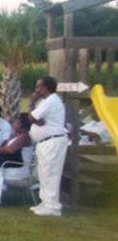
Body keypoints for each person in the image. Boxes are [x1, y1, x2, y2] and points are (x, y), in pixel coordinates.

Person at [28, 76, 69, 217]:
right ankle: (45, 203)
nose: (36, 90)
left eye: (38, 87)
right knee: (43, 173)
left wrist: (31, 102)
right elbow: (39, 120)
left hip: (52, 142)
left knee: (50, 173)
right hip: (46, 142)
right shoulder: (48, 102)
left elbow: (32, 118)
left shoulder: (51, 100)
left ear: (45, 88)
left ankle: (53, 207)